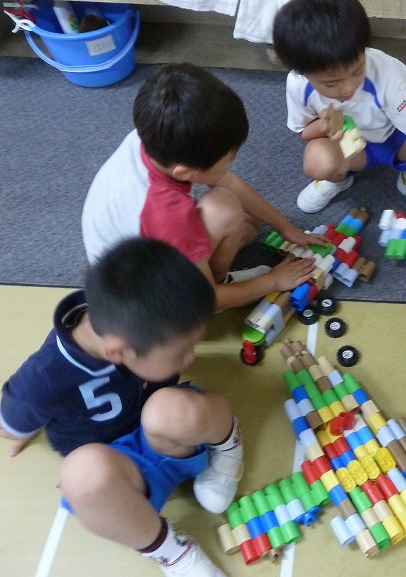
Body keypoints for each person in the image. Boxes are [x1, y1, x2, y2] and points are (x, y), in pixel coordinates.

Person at [0, 238, 240, 576]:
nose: (190, 359)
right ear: (118, 353)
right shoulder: (43, 379)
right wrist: (25, 423)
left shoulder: (134, 319)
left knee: (168, 410)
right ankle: (174, 553)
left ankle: (229, 447)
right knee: (81, 476)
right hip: (122, 476)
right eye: (181, 351)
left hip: (171, 435)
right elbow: (10, 422)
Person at [82, 62, 328, 311]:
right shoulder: (167, 213)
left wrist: (286, 228)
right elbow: (206, 299)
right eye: (228, 159)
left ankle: (206, 269)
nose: (234, 160)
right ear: (183, 172)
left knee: (249, 225)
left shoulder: (155, 135)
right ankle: (219, 283)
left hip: (132, 255)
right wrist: (272, 281)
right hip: (142, 298)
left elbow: (227, 181)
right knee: (225, 210)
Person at [272, 0, 406, 229]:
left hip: (398, 139)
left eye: (357, 71)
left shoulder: (386, 73)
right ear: (301, 72)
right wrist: (326, 124)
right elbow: (303, 132)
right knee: (318, 160)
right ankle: (339, 179)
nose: (348, 88)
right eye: (331, 83)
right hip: (353, 146)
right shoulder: (298, 84)